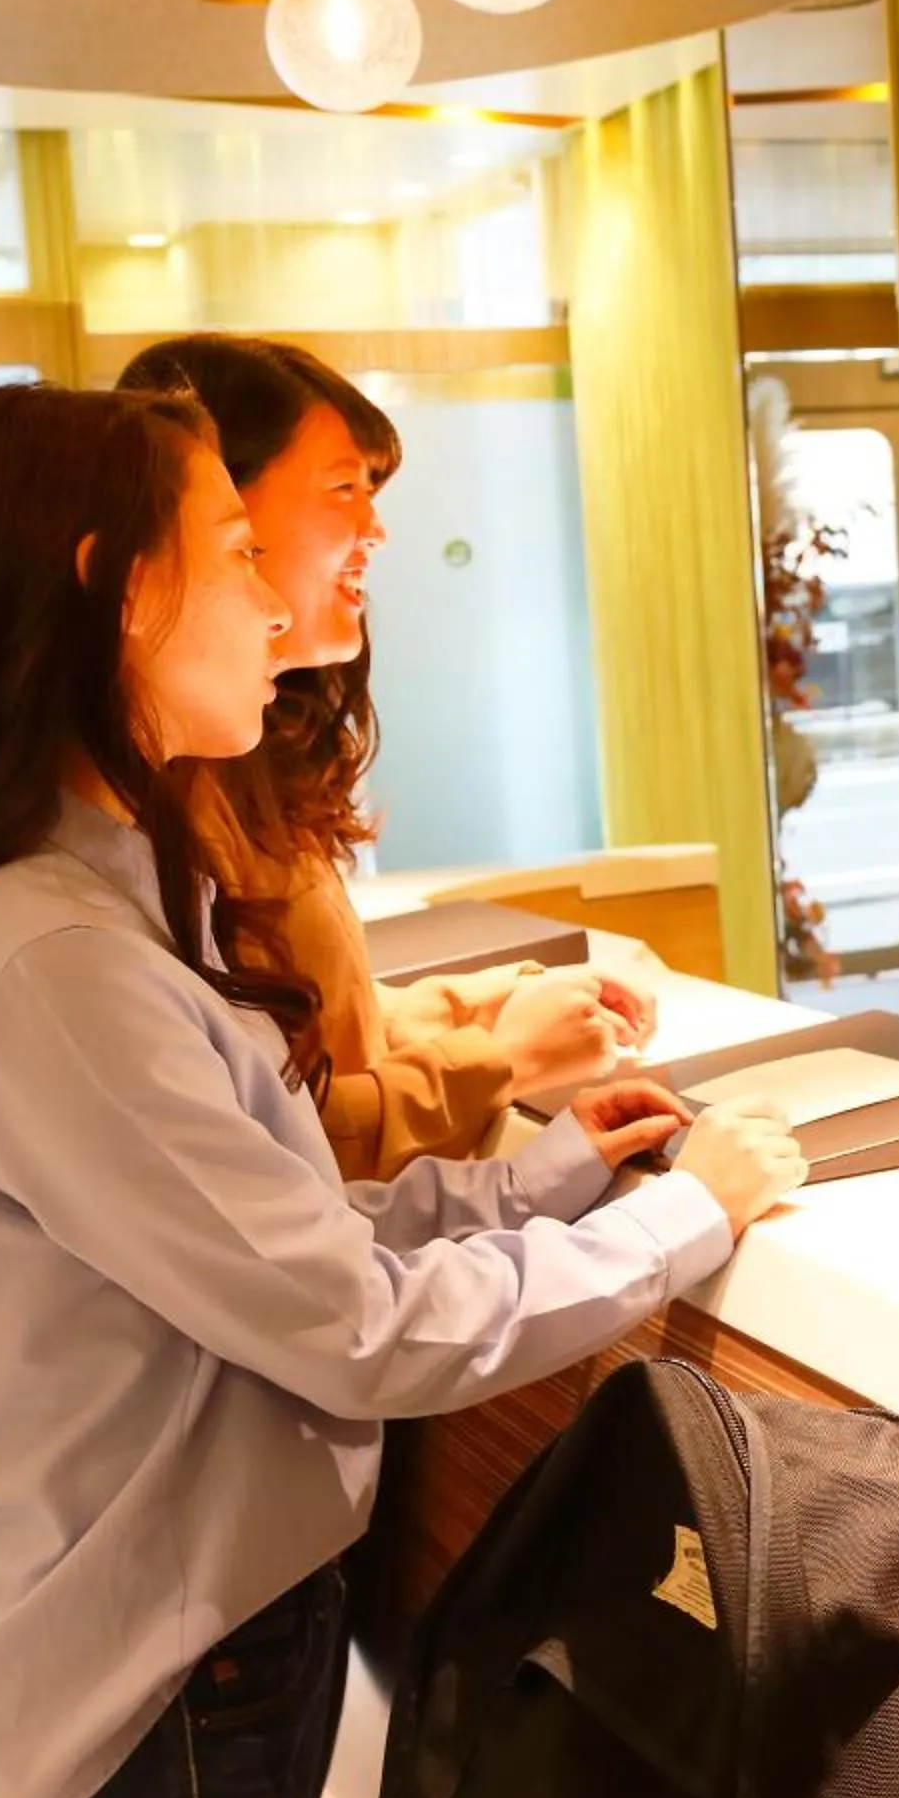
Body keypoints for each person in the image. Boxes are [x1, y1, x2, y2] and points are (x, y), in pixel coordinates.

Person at [0, 383, 805, 1798]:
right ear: (122, 589)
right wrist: (680, 1221)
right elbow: (353, 1329)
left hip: (157, 1658)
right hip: (135, 1698)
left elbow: (272, 1225)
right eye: (236, 553)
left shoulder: (94, 901)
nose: (277, 609)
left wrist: (545, 1171)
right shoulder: (58, 963)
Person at [114, 335, 642, 1179]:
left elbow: (311, 1028)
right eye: (343, 490)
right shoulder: (154, 807)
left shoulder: (245, 759)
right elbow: (280, 1129)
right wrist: (501, 1060)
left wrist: (481, 1005)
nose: (376, 530)